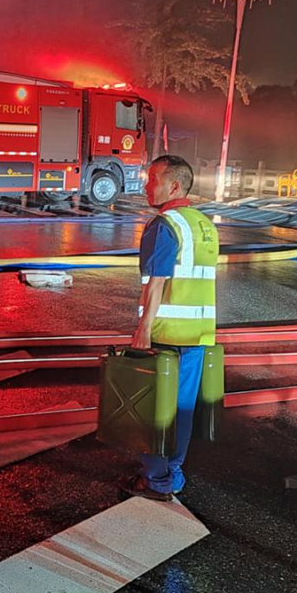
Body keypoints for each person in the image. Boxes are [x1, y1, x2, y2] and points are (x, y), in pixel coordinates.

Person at [120, 155, 219, 501]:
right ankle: (173, 472)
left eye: (152, 179)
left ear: (173, 186)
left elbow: (157, 281)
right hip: (198, 335)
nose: (147, 186)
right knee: (182, 410)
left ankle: (156, 480)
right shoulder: (203, 224)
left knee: (153, 412)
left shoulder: (164, 224)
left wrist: (143, 329)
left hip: (166, 336)